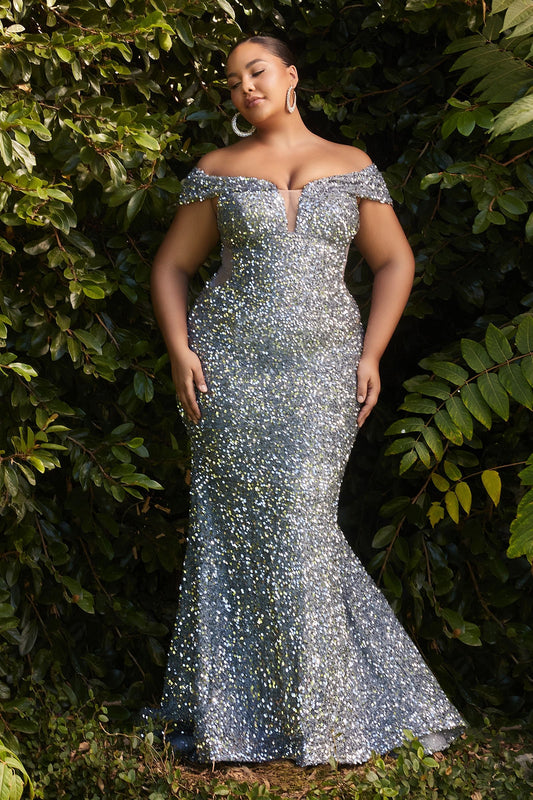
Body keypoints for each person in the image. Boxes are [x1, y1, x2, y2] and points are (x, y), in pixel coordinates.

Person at [146, 35, 465, 767]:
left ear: (291, 76)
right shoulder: (217, 169)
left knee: (301, 522)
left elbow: (394, 260)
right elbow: (171, 266)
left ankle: (326, 712)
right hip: (229, 367)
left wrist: (371, 354)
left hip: (324, 370)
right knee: (233, 533)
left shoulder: (351, 164)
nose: (245, 87)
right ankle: (240, 713)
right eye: (233, 81)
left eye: (256, 72)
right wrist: (180, 350)